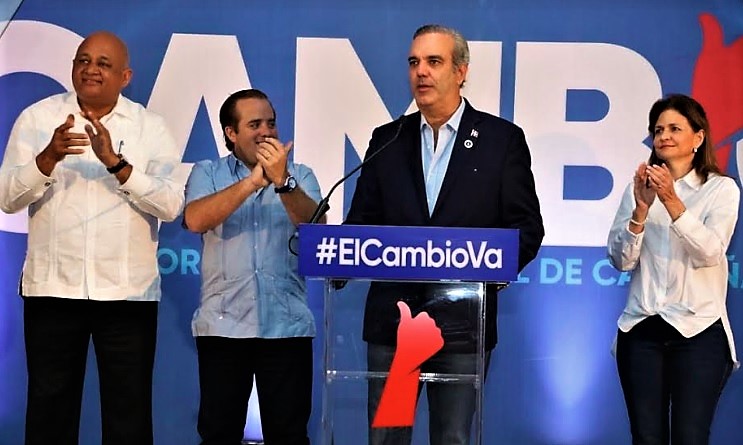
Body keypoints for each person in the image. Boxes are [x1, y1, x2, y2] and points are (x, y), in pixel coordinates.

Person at [345, 24, 544, 445]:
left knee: (451, 437)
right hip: (395, 323)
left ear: (461, 71)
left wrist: (489, 275)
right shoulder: (388, 139)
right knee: (387, 437)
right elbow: (360, 224)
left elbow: (526, 228)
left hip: (461, 321)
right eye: (414, 62)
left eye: (434, 61)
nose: (421, 72)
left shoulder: (501, 140)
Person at [0, 31, 183, 445]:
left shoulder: (150, 128)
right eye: (83, 61)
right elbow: (7, 198)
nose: (91, 69)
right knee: (49, 414)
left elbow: (172, 204)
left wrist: (117, 165)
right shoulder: (37, 119)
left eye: (103, 63)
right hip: (53, 290)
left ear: (125, 77)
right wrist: (47, 158)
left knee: (128, 418)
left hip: (127, 294)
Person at [183, 89, 323, 445]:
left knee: (290, 436)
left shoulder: (300, 175)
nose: (266, 132)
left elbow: (317, 229)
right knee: (218, 435)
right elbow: (196, 219)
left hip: (286, 327)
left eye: (271, 124)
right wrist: (251, 183)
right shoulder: (207, 172)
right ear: (231, 133)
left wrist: (282, 182)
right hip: (223, 326)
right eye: (255, 124)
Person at [607, 94, 738, 445]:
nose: (663, 135)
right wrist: (640, 211)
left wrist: (671, 201)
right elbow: (620, 260)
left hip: (698, 330)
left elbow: (710, 252)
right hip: (641, 328)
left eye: (675, 128)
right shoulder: (638, 190)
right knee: (646, 437)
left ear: (698, 137)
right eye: (658, 129)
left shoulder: (721, 189)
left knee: (689, 436)